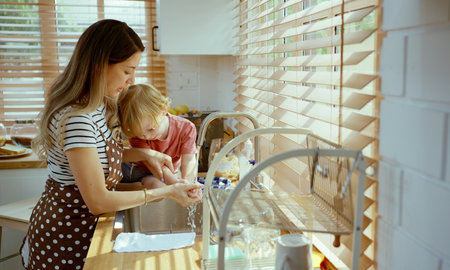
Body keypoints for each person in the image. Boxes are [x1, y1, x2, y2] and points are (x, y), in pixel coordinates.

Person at [20, 19, 201, 270]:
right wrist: (167, 192)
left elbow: (100, 155)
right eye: (128, 70)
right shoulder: (77, 119)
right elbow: (98, 200)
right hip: (67, 237)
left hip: (88, 229)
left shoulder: (96, 106)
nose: (131, 80)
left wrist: (145, 153)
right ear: (99, 64)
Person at [118, 83, 198, 190]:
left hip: (159, 175)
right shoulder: (138, 135)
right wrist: (176, 184)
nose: (146, 136)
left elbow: (189, 160)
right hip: (136, 170)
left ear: (163, 110)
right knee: (159, 188)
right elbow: (153, 163)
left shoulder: (186, 128)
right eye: (140, 133)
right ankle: (121, 187)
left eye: (151, 129)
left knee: (160, 189)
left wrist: (188, 183)